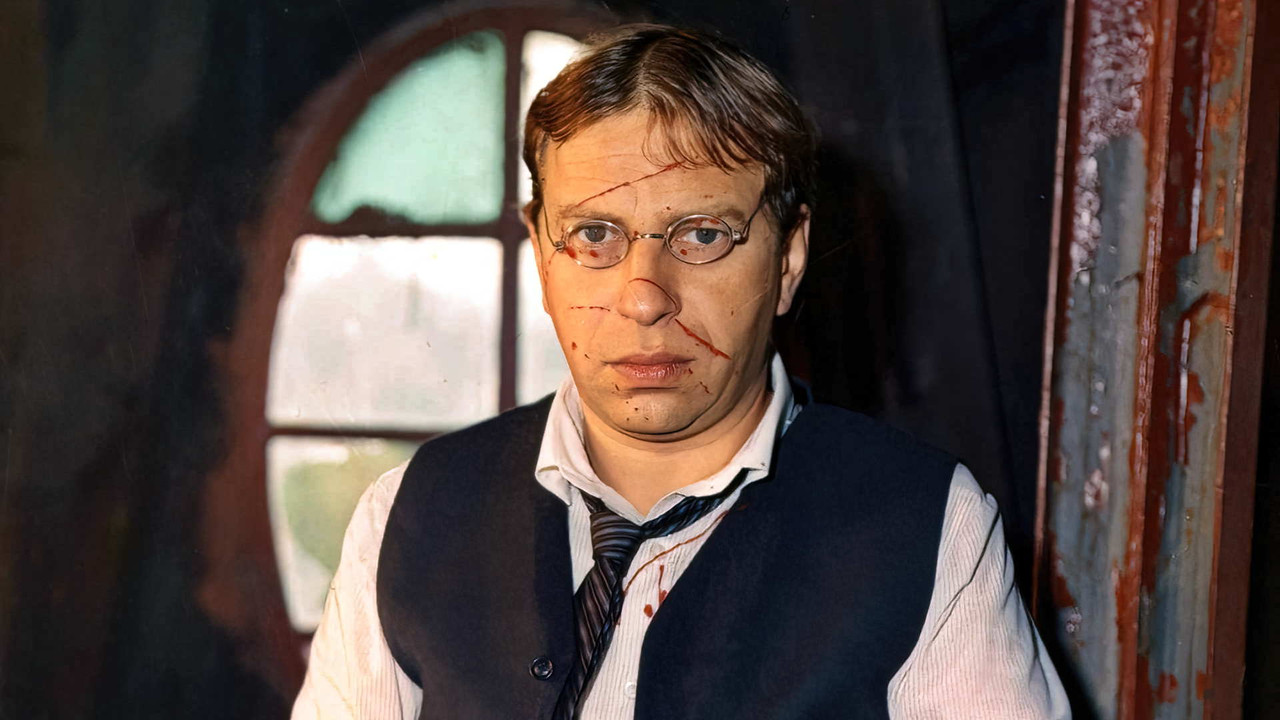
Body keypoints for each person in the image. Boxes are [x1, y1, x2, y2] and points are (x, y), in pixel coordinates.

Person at [292, 24, 1070, 719]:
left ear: (789, 257)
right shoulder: (405, 514)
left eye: (702, 235)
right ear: (542, 255)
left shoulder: (930, 527)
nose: (644, 298)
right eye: (594, 235)